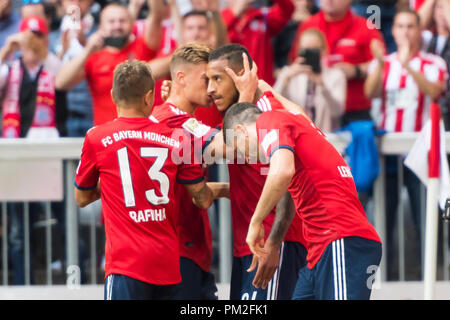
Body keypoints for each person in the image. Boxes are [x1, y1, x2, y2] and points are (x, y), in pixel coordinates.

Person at [74, 59, 225, 300]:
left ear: (113, 95)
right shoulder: (178, 138)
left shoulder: (97, 137)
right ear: (149, 97)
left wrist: (119, 185)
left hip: (125, 265)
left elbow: (82, 197)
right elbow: (201, 197)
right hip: (168, 265)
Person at [222, 102, 382, 300]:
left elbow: (282, 171)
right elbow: (287, 185)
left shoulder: (270, 120)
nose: (245, 157)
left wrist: (255, 222)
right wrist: (272, 242)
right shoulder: (296, 123)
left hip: (341, 238)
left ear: (240, 130)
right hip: (321, 248)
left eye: (239, 149)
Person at [204, 43, 308, 300]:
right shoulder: (243, 109)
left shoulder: (264, 112)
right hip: (250, 244)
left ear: (242, 75)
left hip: (273, 243)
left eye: (217, 79)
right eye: (207, 80)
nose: (210, 89)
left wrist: (274, 243)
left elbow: (217, 150)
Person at [364, 8, 447, 279]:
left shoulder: (433, 62)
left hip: (419, 153)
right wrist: (379, 65)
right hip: (387, 154)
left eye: (411, 26)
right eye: (400, 26)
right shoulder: (383, 61)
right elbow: (370, 93)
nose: (406, 32)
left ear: (418, 30)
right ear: (393, 30)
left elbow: (435, 91)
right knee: (381, 222)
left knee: (426, 219)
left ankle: (430, 281)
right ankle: (381, 282)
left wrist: (408, 63)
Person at [151, 43, 231, 300]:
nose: (211, 88)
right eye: (205, 79)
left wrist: (231, 190)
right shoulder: (179, 122)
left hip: (186, 250)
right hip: (179, 252)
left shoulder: (162, 116)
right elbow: (232, 147)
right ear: (181, 78)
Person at [0, 15, 65, 284]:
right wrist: (7, 49)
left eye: (37, 37)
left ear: (45, 39)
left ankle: (77, 278)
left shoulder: (53, 64)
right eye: (28, 36)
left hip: (48, 153)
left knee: (63, 220)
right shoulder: (9, 68)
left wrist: (41, 49)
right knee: (18, 229)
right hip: (17, 155)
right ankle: (21, 286)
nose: (31, 43)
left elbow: (61, 74)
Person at [55, 0, 165, 126]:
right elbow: (60, 82)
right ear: (101, 26)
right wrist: (87, 51)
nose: (117, 26)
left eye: (122, 21)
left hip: (141, 135)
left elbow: (157, 16)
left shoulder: (143, 46)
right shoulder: (94, 57)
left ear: (131, 23)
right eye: (111, 22)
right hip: (107, 138)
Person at [289, 0, 386, 127]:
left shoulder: (366, 26)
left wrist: (356, 70)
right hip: (318, 110)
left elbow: (382, 64)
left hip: (355, 109)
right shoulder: (308, 25)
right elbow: (295, 62)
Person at [274, 28, 346, 132]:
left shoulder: (336, 75)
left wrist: (322, 85)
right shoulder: (289, 74)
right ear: (299, 51)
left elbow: (337, 112)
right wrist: (285, 79)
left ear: (324, 50)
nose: (310, 54)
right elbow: (273, 105)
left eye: (314, 50)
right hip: (295, 135)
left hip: (326, 137)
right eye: (306, 50)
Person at [49, 0, 97, 137]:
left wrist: (87, 44)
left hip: (92, 112)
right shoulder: (52, 37)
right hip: (60, 114)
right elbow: (47, 77)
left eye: (81, 0)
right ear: (61, 3)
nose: (76, 4)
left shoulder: (100, 34)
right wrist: (62, 52)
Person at [222, 0, 295, 85]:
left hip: (261, 83)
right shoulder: (221, 18)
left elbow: (288, 9)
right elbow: (215, 36)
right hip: (233, 84)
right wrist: (234, 13)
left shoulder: (262, 16)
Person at [419, 0, 450, 129]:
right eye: (439, 8)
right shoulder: (426, 39)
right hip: (428, 105)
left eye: (447, 8)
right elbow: (414, 24)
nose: (443, 12)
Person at [273, 0, 318, 72]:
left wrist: (309, 23)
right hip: (284, 72)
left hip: (310, 72)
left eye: (309, 1)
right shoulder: (279, 17)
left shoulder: (317, 17)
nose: (305, 3)